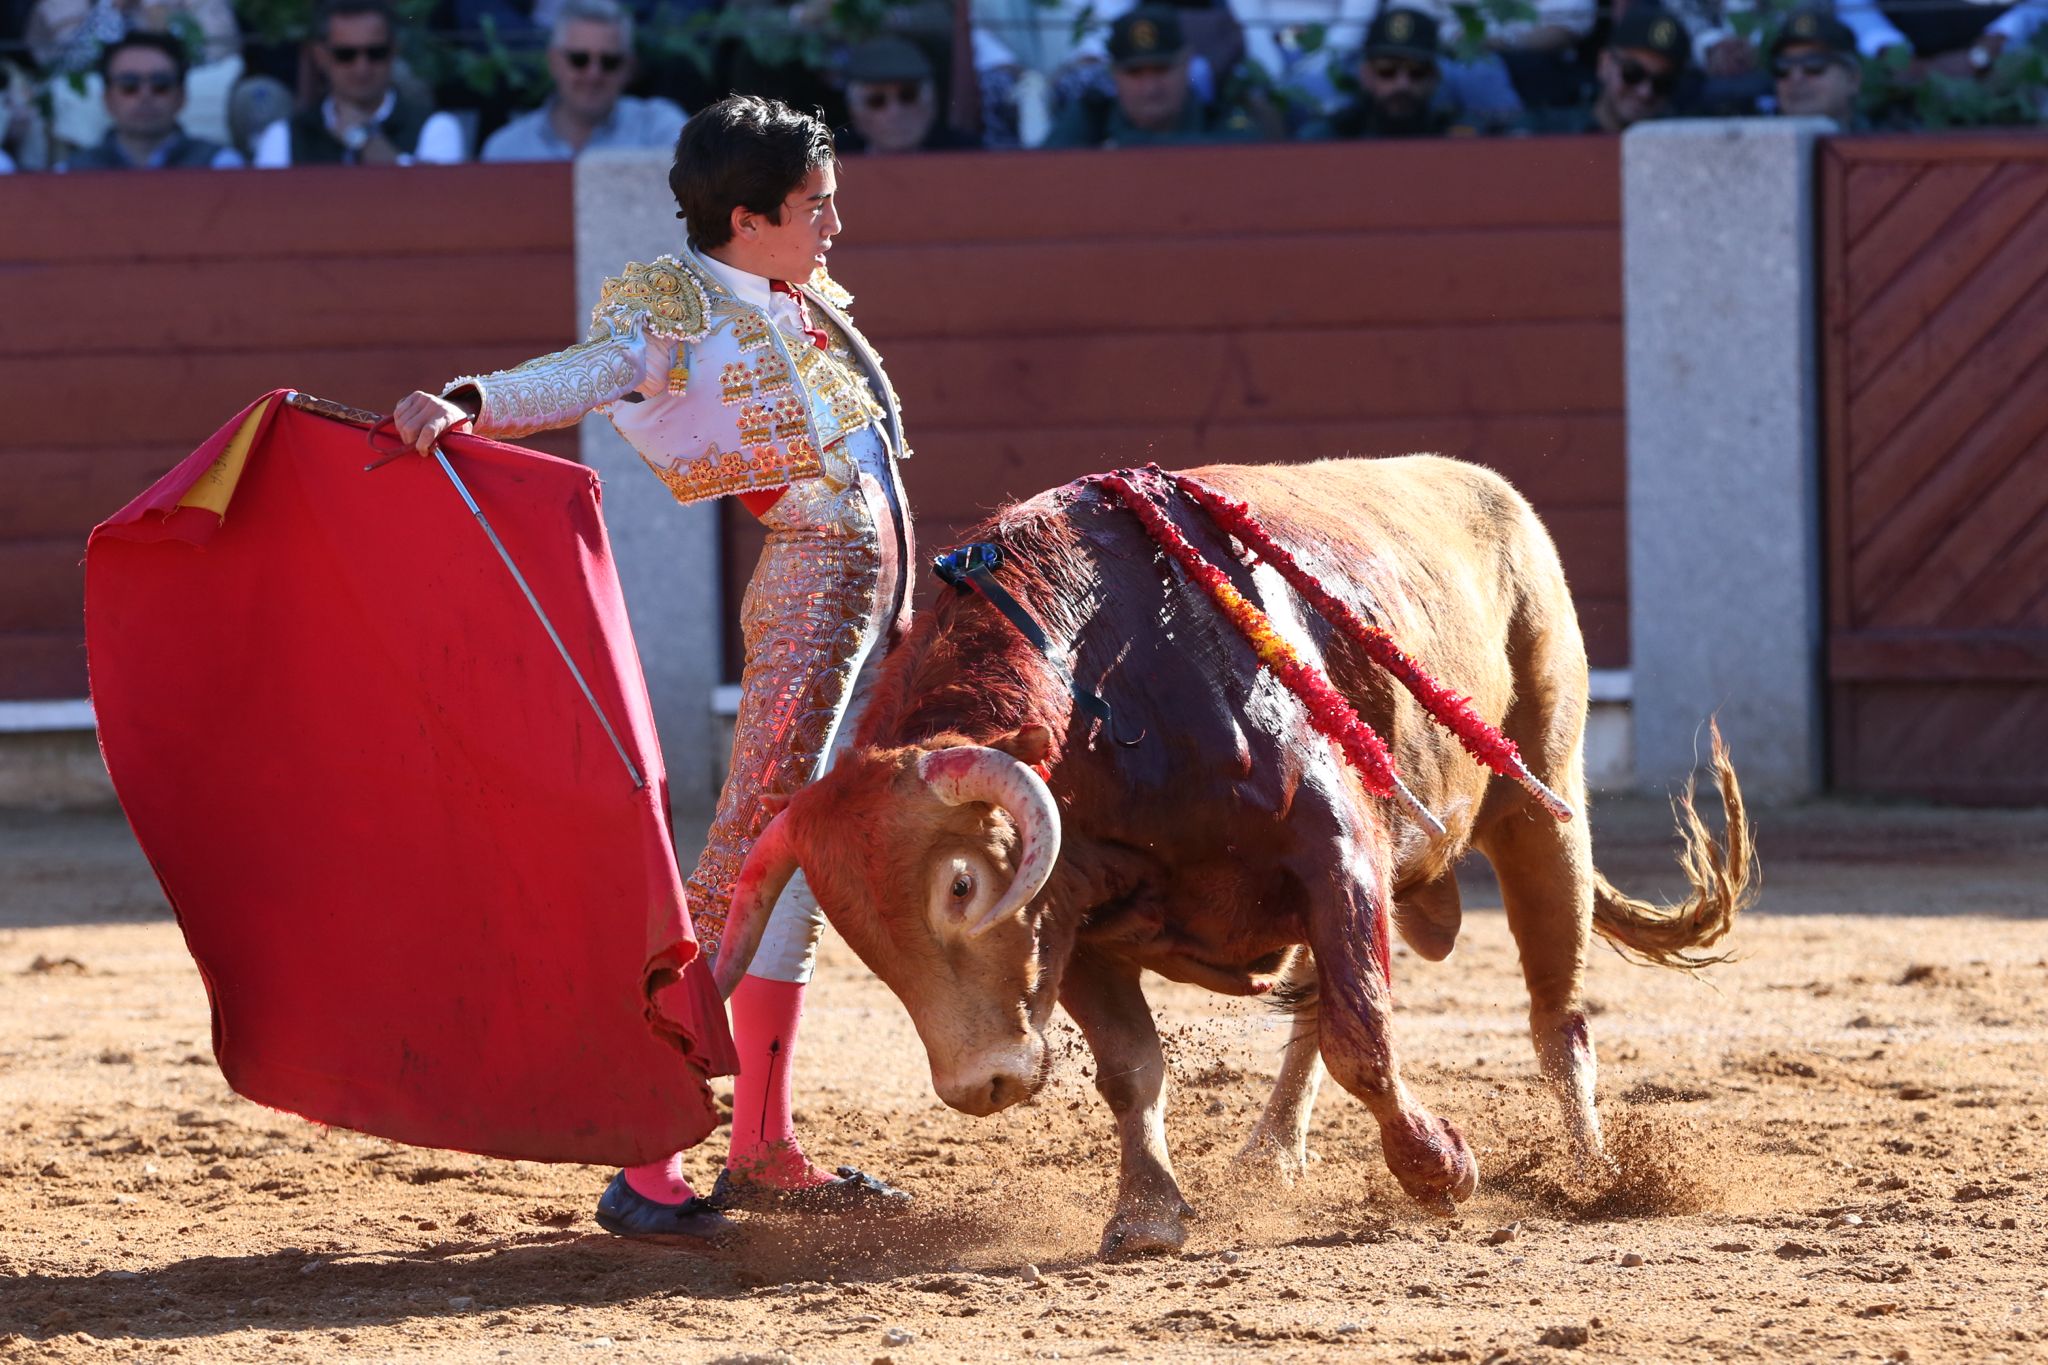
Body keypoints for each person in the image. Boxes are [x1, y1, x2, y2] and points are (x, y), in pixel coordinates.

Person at [390, 94, 914, 1239]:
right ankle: (646, 1157)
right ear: (749, 214)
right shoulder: (675, 312)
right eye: (815, 206)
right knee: (742, 860)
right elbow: (592, 369)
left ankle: (763, 1145)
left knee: (789, 865)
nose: (834, 225)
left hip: (857, 604)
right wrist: (477, 401)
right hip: (813, 594)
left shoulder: (795, 298)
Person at [253, 0, 465, 167]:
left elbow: (435, 200)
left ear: (394, 51)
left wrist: (364, 139)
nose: (361, 67)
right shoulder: (284, 137)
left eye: (376, 53)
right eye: (345, 55)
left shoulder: (435, 127)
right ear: (321, 56)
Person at [480, 0, 686, 161]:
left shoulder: (659, 129)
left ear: (628, 67)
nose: (593, 74)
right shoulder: (507, 149)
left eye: (609, 61)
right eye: (579, 60)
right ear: (554, 62)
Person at [1043, 6, 1263, 146]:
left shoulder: (1220, 118)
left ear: (1186, 64)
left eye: (1162, 70)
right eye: (1135, 73)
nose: (1150, 88)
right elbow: (1040, 174)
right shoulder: (1092, 118)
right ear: (1114, 73)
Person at [58, 31, 243, 168]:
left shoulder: (220, 165)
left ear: (181, 96)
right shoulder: (72, 172)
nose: (145, 95)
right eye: (129, 85)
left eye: (160, 84)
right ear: (107, 99)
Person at [1298, 6, 1478, 137]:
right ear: (1366, 75)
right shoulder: (1331, 138)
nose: (1403, 84)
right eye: (1387, 71)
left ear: (1434, 77)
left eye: (1417, 72)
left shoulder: (1459, 138)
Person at [1526, 4, 1689, 133]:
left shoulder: (1681, 145)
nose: (1645, 92)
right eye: (1633, 73)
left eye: (1663, 83)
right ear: (1604, 64)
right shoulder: (1549, 132)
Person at [836, 35, 982, 153]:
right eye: (877, 101)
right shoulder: (824, 167)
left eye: (908, 96)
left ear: (931, 103)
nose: (895, 112)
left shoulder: (970, 155)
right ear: (855, 112)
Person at [1770, 8, 1862, 126]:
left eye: (1813, 64)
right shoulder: (1754, 141)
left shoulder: (1886, 141)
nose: (1796, 77)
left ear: (1853, 79)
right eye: (1783, 65)